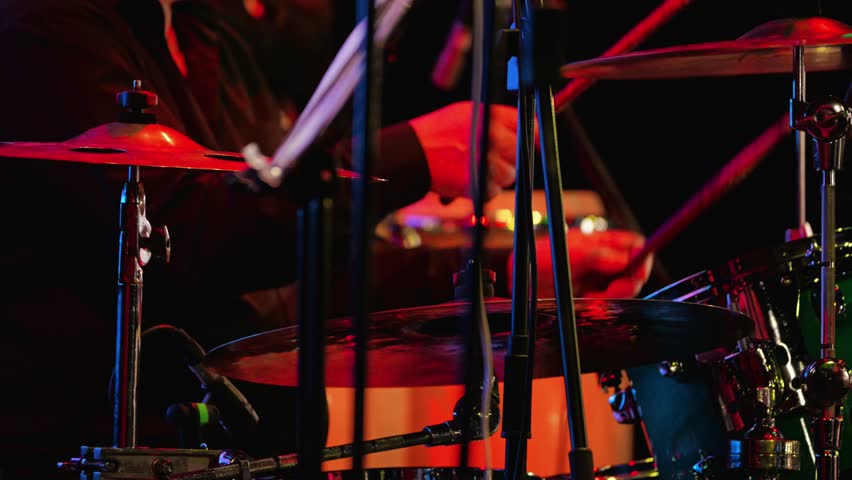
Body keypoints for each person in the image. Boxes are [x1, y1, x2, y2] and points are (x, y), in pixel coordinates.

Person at [0, 0, 652, 478]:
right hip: (106, 450)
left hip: (244, 451)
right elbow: (185, 239)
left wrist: (510, 275)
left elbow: (296, 259)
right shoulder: (47, 25)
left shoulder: (200, 32)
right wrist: (407, 155)